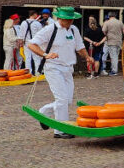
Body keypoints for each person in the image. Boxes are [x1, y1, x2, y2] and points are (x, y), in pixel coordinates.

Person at [27, 7, 95, 139]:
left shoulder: (74, 30)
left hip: (68, 68)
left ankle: (45, 111)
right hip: (53, 67)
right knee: (62, 99)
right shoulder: (50, 29)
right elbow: (31, 44)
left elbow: (80, 47)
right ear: (60, 18)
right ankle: (60, 130)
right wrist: (45, 54)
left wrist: (87, 57)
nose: (70, 21)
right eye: (67, 19)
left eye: (71, 19)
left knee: (67, 101)